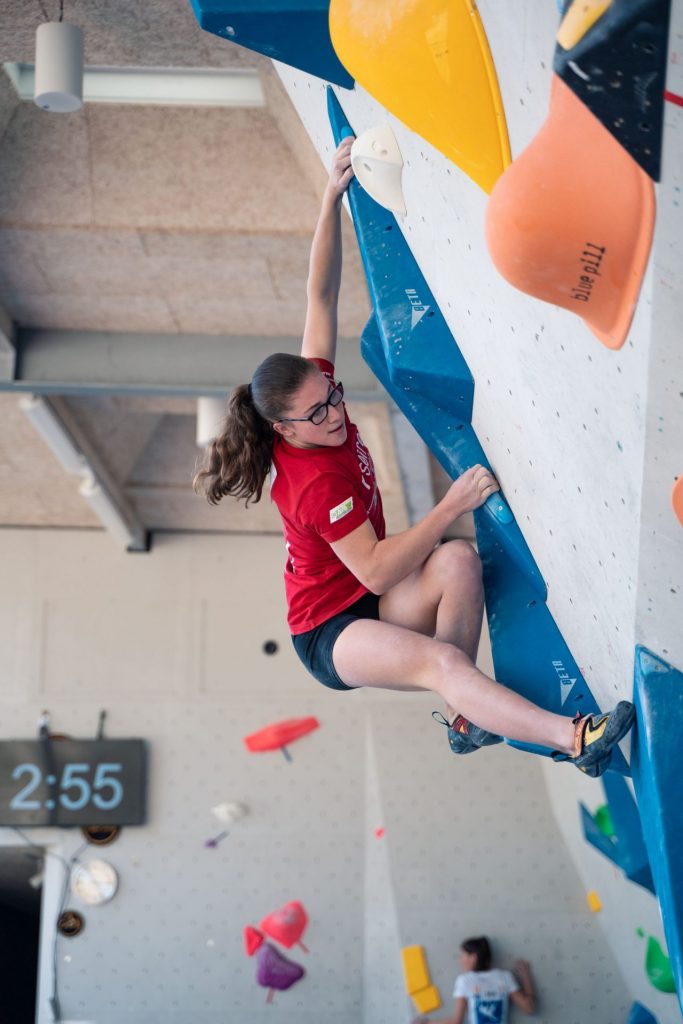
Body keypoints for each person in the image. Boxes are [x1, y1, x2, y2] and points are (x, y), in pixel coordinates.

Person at [193, 136, 635, 777]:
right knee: (443, 663)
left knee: (457, 563)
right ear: (284, 429)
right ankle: (577, 741)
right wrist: (452, 503)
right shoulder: (314, 484)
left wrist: (329, 201)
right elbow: (373, 572)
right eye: (318, 413)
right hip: (332, 632)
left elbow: (319, 299)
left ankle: (465, 716)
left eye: (333, 394)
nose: (335, 412)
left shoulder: (313, 396)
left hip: (364, 593)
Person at [414, 936, 535, 1024]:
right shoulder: (505, 976)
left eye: (462, 956)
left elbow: (456, 1021)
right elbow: (529, 1008)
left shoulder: (465, 981)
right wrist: (525, 977)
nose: (460, 961)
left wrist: (426, 1023)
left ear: (473, 958)